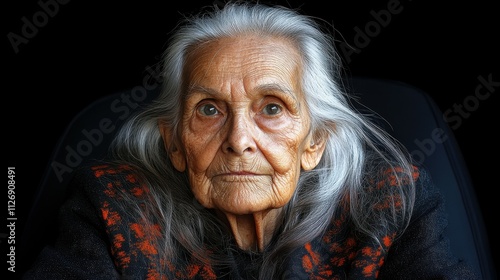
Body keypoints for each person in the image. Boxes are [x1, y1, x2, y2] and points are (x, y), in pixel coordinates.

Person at [23, 1, 478, 279]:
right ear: (175, 142)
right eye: (208, 109)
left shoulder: (391, 202)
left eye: (273, 107)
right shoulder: (113, 205)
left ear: (315, 140)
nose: (239, 140)